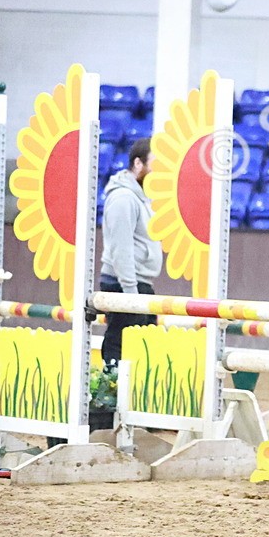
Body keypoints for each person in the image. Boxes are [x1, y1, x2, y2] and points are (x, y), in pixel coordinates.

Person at [98, 137, 162, 366]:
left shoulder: (141, 199)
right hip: (124, 283)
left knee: (142, 346)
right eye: (155, 163)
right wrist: (131, 293)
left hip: (137, 283)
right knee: (121, 341)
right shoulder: (124, 199)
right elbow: (120, 249)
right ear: (138, 164)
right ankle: (111, 388)